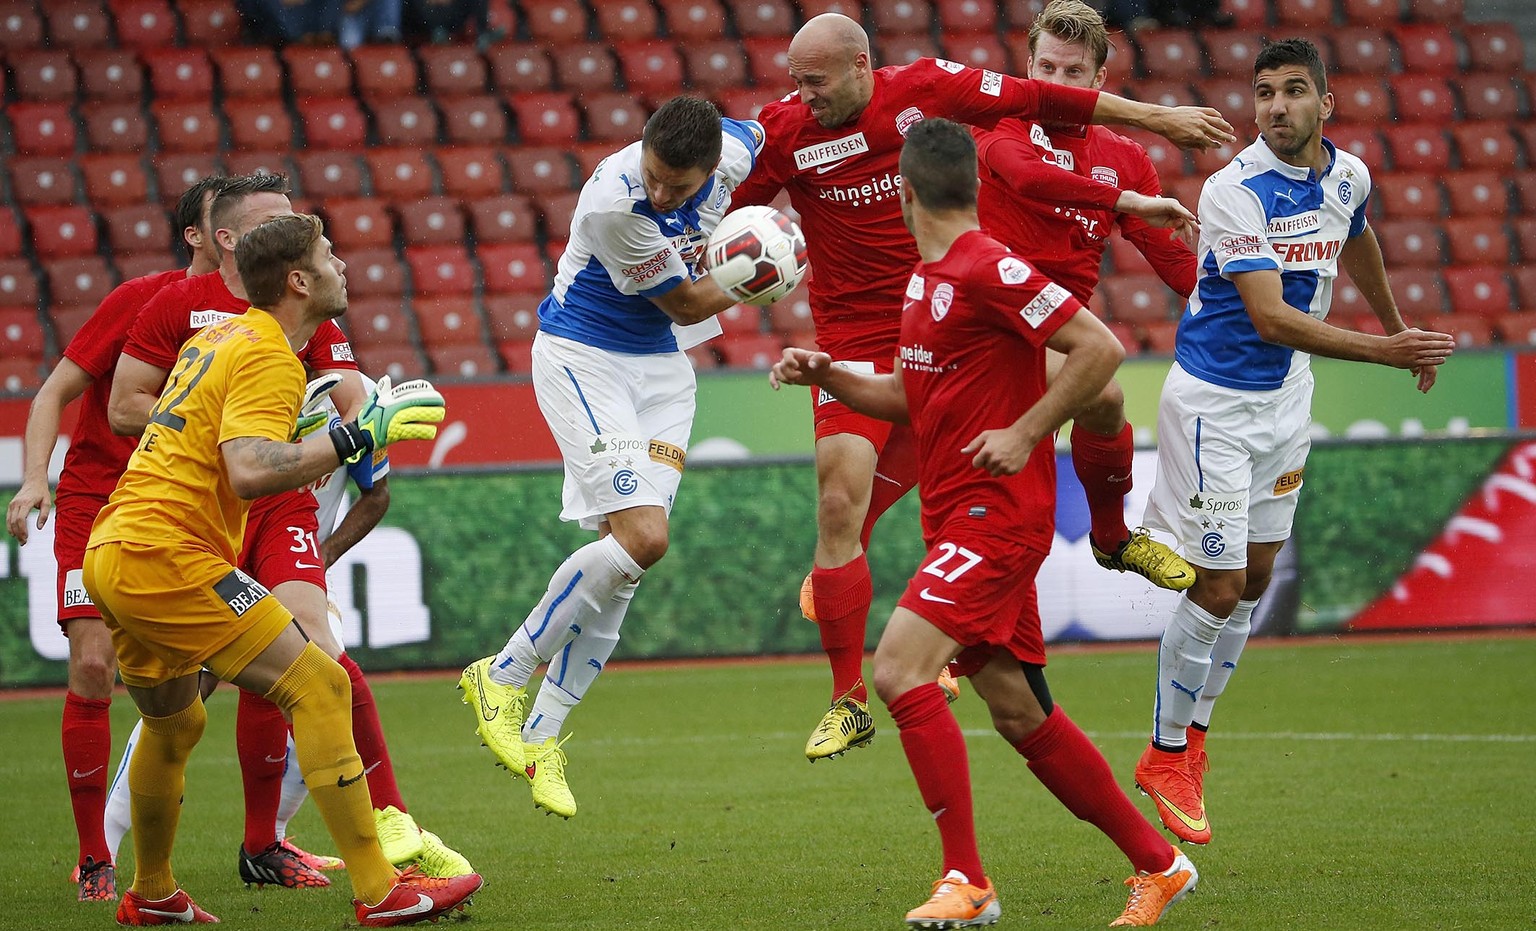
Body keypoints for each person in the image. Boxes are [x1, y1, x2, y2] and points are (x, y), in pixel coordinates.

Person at [727, 11, 1235, 761]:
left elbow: (1170, 258)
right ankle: (850, 691)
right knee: (844, 494)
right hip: (867, 330)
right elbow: (730, 209)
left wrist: (1159, 132)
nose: (803, 96)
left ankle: (1093, 547)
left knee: (1077, 412)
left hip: (949, 317)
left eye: (815, 81)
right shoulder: (796, 133)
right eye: (794, 82)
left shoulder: (933, 92)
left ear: (863, 66)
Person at [770, 117, 1199, 929]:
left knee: (898, 668)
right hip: (957, 514)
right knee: (1018, 710)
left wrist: (1028, 430)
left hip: (997, 518)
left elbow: (1099, 348)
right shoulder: (925, 278)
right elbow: (912, 397)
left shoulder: (988, 266)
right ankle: (1159, 862)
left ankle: (966, 878)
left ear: (902, 194)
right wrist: (830, 376)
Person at [83, 211, 480, 926]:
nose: (342, 266)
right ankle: (381, 892)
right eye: (329, 255)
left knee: (174, 726)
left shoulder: (224, 337)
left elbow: (218, 438)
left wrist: (309, 431)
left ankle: (152, 892)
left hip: (118, 548)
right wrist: (357, 434)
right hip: (166, 553)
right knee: (321, 683)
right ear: (299, 279)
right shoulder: (267, 350)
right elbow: (245, 470)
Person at [1130, 38, 1455, 848]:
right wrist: (1386, 353)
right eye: (1264, 92)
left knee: (1258, 577)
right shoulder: (1232, 192)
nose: (1275, 106)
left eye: (1293, 91)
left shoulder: (1348, 176)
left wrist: (1394, 324)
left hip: (1286, 401)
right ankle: (1164, 752)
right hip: (1215, 405)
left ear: (1325, 103)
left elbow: (1359, 238)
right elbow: (1271, 318)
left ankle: (1195, 738)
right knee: (1218, 582)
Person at [458, 95, 763, 819]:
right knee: (645, 536)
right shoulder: (613, 201)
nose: (661, 194)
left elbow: (776, 128)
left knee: (626, 558)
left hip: (663, 376)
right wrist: (766, 267)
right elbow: (689, 304)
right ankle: (500, 674)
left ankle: (542, 734)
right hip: (585, 359)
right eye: (655, 176)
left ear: (713, 167)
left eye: (678, 188)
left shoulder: (736, 149)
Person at [5, 176, 227, 902]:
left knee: (192, 683)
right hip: (97, 502)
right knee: (94, 666)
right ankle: (95, 853)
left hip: (181, 510)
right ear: (198, 234)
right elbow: (52, 393)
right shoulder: (143, 301)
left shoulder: (254, 318)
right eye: (229, 219)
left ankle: (257, 840)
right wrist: (36, 478)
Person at [975, 0, 1199, 593]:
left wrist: (1249, 304)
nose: (1056, 83)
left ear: (1099, 80)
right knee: (1095, 387)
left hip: (1060, 328)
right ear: (1027, 67)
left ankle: (1111, 538)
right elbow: (1028, 177)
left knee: (1101, 400)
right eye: (1046, 68)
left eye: (1072, 72)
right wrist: (1124, 201)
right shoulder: (996, 124)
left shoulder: (1123, 159)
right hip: (989, 320)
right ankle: (857, 561)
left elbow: (1175, 263)